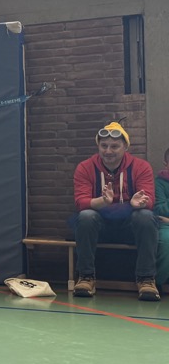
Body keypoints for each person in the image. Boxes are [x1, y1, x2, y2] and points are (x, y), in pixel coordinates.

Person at [71, 122, 159, 301]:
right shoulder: (85, 167)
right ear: (98, 146)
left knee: (146, 216)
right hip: (100, 227)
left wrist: (136, 204)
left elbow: (149, 201)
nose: (108, 151)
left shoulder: (141, 167)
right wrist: (103, 201)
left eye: (114, 146)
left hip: (129, 227)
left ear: (125, 147)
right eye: (104, 146)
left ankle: (146, 279)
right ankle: (86, 277)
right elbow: (81, 203)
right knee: (86, 216)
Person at [155, 147, 169, 295]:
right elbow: (160, 209)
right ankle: (158, 282)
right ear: (166, 164)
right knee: (166, 241)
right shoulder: (159, 183)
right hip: (165, 226)